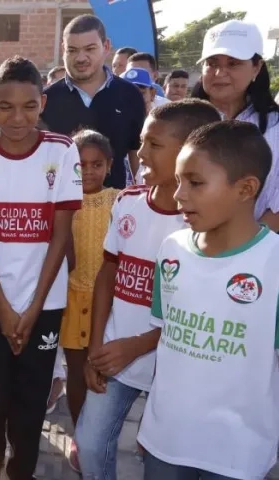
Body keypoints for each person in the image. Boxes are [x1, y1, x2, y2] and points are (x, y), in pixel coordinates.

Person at [74, 99, 222, 479]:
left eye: (154, 145)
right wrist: (96, 348)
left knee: (158, 461)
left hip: (171, 367)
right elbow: (109, 273)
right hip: (115, 356)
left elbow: (200, 310)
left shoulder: (205, 225)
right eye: (142, 142)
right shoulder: (128, 203)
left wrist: (138, 345)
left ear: (191, 150)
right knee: (90, 446)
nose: (141, 153)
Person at [0, 55, 83, 480]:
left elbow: (60, 236)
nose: (17, 116)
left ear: (42, 103)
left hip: (44, 306)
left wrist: (31, 310)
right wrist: (5, 309)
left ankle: (21, 472)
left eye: (29, 106)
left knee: (30, 407)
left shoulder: (62, 152)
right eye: (5, 106)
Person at [138, 120, 279, 480]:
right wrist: (151, 427)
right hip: (165, 441)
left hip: (237, 455)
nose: (178, 194)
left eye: (195, 183)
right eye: (179, 180)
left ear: (247, 188)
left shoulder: (273, 263)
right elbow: (168, 341)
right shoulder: (171, 250)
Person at [58, 129, 120, 472]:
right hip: (71, 296)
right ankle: (81, 435)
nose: (89, 171)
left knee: (102, 368)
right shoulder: (63, 201)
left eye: (97, 164)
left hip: (107, 302)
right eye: (81, 165)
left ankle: (98, 432)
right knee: (78, 372)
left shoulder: (119, 200)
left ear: (109, 166)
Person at [190, 19, 279, 231]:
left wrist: (247, 246)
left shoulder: (275, 126)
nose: (220, 73)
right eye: (212, 63)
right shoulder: (180, 120)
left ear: (256, 67)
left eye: (233, 63)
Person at [41, 14, 146, 189]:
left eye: (89, 49)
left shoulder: (129, 94)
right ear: (63, 49)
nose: (81, 58)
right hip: (60, 209)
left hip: (114, 209)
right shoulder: (47, 99)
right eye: (72, 50)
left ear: (106, 47)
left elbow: (137, 155)